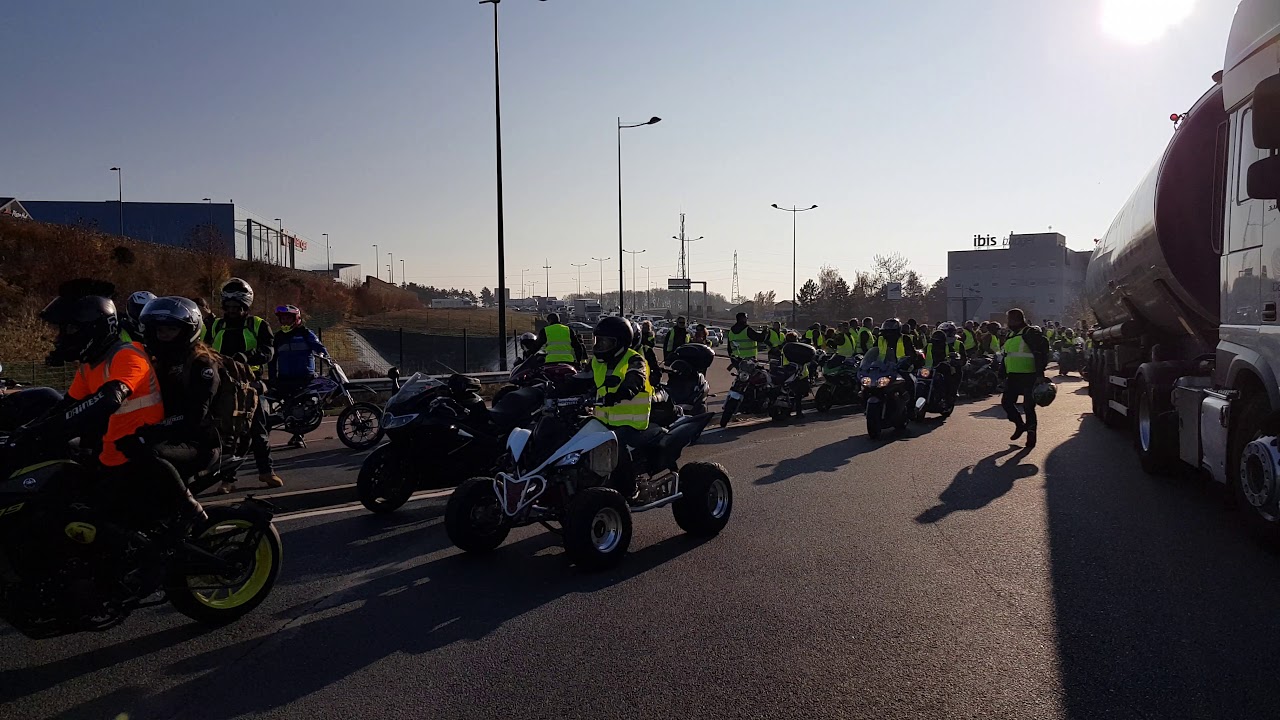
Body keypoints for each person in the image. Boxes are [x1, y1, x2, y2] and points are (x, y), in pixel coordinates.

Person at [23, 281, 204, 531]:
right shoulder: (89, 366)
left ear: (93, 329)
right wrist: (24, 433)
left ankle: (189, 514)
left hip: (141, 451)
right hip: (112, 452)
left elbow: (108, 399)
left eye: (71, 329)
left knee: (114, 528)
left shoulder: (127, 356)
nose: (62, 336)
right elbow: (66, 405)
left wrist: (50, 429)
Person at [134, 297, 224, 495]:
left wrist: (154, 430)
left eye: (171, 330)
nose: (164, 336)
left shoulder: (201, 364)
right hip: (167, 435)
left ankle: (189, 509)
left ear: (187, 331)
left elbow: (195, 415)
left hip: (197, 442)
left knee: (149, 454)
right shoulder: (157, 362)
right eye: (159, 330)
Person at [206, 278, 281, 491]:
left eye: (236, 307)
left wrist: (248, 357)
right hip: (222, 384)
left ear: (245, 306)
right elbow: (202, 347)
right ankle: (228, 480)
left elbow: (269, 351)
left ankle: (266, 472)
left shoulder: (257, 325)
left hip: (249, 385)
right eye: (228, 307)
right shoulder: (216, 325)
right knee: (228, 434)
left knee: (258, 431)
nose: (231, 311)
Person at [589, 316, 652, 499]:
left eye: (605, 342)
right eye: (598, 341)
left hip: (632, 425)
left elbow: (636, 379)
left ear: (620, 343)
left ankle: (630, 489)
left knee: (617, 445)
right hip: (601, 422)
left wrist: (622, 393)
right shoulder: (597, 362)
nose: (600, 346)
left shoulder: (635, 360)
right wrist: (554, 390)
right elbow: (579, 381)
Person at [270, 304, 329, 449]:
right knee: (285, 407)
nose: (284, 321)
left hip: (305, 377)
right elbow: (272, 359)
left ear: (296, 319)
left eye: (287, 318)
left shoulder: (305, 333)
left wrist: (323, 355)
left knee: (305, 406)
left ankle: (298, 435)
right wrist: (272, 378)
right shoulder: (278, 337)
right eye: (282, 319)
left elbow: (320, 348)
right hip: (285, 377)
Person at [1001, 308, 1050, 448]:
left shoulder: (1030, 333)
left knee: (1028, 406)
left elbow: (1040, 354)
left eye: (1009, 319)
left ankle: (1031, 433)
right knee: (1006, 403)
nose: (1008, 322)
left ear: (1016, 319)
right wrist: (1002, 375)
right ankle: (1020, 425)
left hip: (1030, 375)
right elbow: (1007, 356)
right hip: (1013, 376)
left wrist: (1040, 375)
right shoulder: (1011, 335)